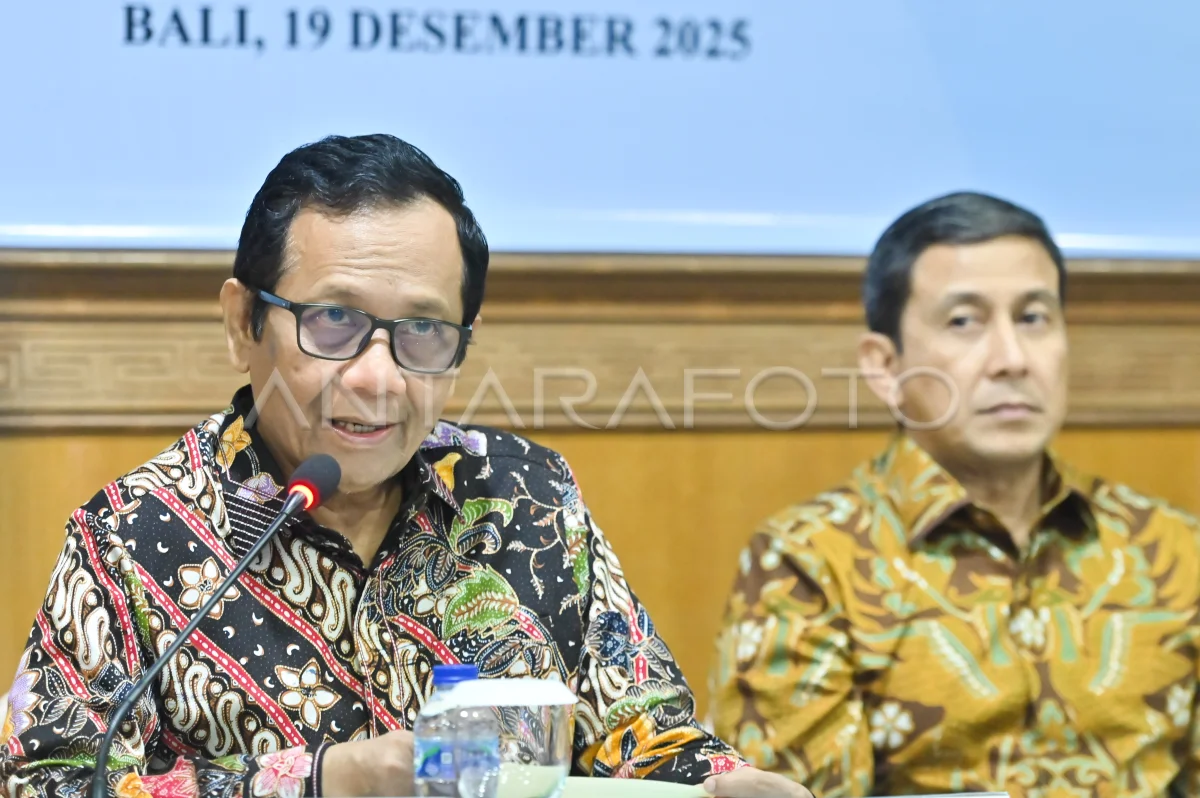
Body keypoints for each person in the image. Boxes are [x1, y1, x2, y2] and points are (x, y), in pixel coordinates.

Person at [0, 135, 809, 798]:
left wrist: (722, 782)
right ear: (244, 322)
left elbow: (644, 732)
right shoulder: (131, 537)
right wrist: (322, 783)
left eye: (423, 331)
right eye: (334, 319)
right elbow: (45, 784)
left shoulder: (526, 497)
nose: (379, 377)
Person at [710, 191, 1200, 797]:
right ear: (885, 366)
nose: (1012, 360)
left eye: (1033, 318)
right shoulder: (809, 562)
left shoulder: (1172, 548)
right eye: (964, 322)